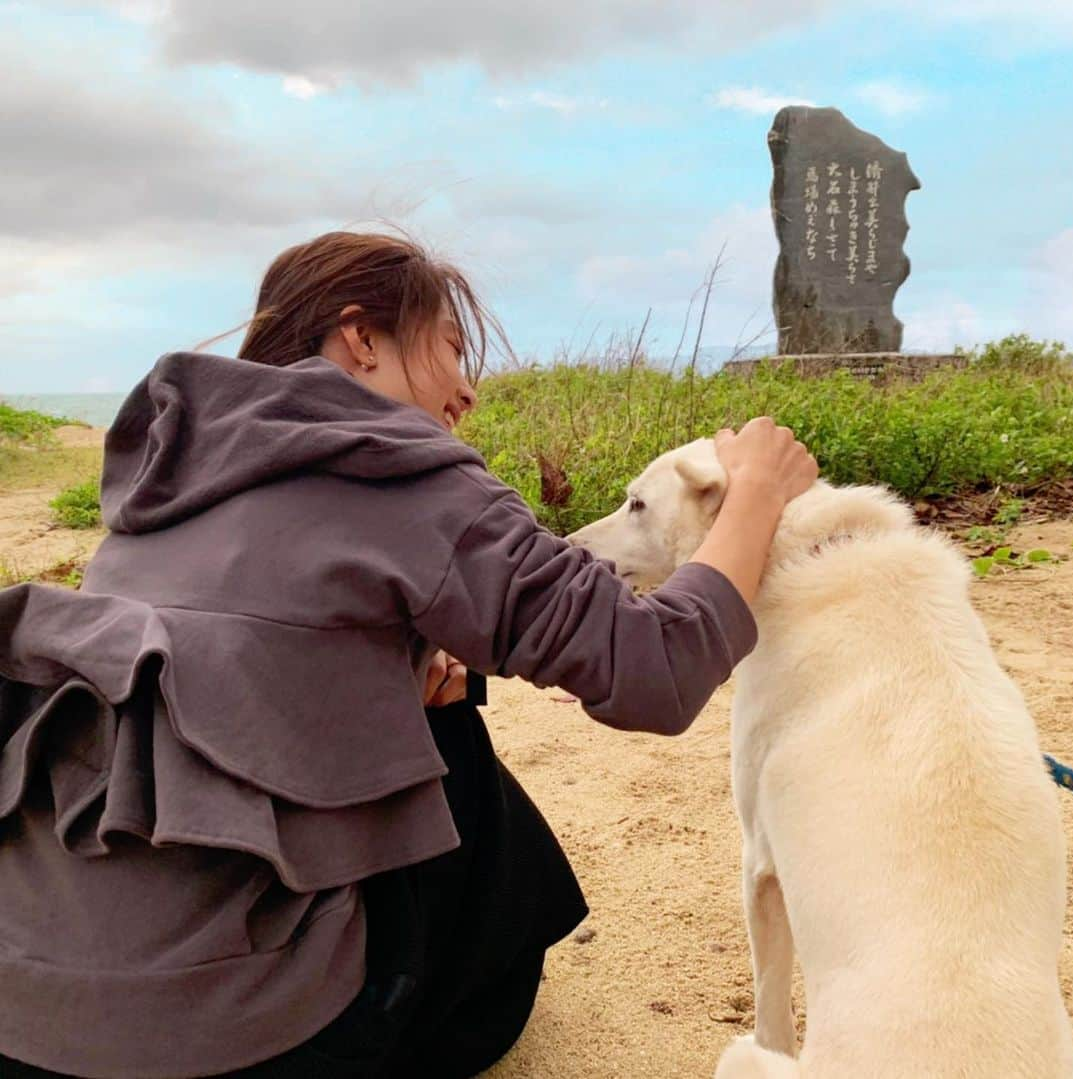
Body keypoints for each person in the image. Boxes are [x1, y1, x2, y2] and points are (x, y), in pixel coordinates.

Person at [0, 231, 817, 1079]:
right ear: (361, 339)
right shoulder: (401, 468)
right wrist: (754, 493)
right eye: (453, 348)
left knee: (444, 689)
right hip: (235, 1041)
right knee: (457, 743)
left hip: (28, 1008)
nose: (467, 391)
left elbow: (238, 662)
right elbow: (656, 667)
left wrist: (402, 663)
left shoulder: (166, 475)